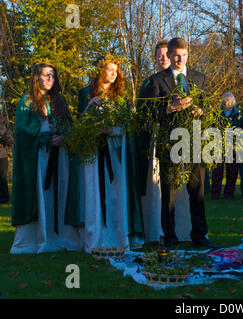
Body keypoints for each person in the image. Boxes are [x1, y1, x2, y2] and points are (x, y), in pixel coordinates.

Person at [142, 37, 213, 249]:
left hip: (194, 142)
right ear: (170, 55)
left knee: (197, 192)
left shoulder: (199, 78)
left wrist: (202, 112)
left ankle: (200, 236)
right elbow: (148, 112)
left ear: (188, 55)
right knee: (170, 195)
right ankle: (170, 238)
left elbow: (208, 107)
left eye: (184, 55)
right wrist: (168, 108)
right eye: (176, 55)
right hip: (169, 143)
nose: (180, 59)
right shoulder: (157, 81)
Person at [10, 63, 81, 254]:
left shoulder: (60, 100)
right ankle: (39, 238)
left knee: (60, 193)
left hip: (61, 156)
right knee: (42, 193)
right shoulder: (27, 101)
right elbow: (22, 130)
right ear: (37, 78)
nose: (50, 79)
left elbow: (69, 126)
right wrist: (43, 138)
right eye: (45, 75)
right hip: (40, 157)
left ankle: (62, 237)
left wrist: (64, 137)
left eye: (52, 75)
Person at [78, 55, 144, 253]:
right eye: (109, 69)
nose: (114, 73)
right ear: (100, 71)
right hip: (93, 154)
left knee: (115, 195)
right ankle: (96, 238)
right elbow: (79, 126)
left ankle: (117, 237)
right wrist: (90, 108)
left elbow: (127, 127)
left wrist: (110, 131)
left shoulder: (120, 97)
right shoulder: (86, 94)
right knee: (94, 195)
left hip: (115, 153)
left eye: (116, 70)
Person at [136, 40, 192, 243]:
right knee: (159, 187)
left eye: (165, 55)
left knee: (182, 189)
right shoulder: (151, 82)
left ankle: (185, 230)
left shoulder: (184, 79)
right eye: (159, 55)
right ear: (155, 58)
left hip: (183, 140)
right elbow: (144, 113)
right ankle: (157, 230)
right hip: (157, 139)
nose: (163, 58)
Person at [211, 92, 243, 199]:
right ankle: (215, 194)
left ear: (233, 103)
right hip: (218, 146)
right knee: (217, 172)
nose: (226, 104)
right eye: (224, 102)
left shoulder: (239, 114)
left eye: (228, 102)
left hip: (233, 147)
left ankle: (229, 194)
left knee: (232, 172)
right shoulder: (216, 114)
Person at [0, 105, 12, 203]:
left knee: (2, 176)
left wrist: (3, 138)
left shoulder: (3, 120)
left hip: (2, 154)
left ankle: (4, 199)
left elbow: (9, 136)